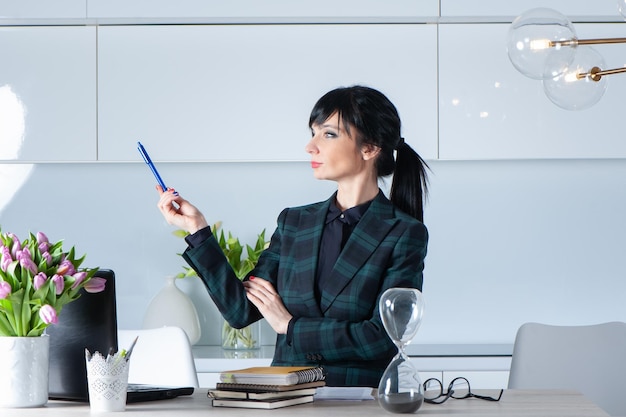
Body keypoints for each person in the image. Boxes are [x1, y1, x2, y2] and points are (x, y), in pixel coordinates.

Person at [156, 85, 429, 387]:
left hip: (359, 400)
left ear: (370, 147)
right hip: (285, 397)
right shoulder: (295, 222)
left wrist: (290, 327)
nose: (310, 146)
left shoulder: (404, 232)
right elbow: (241, 310)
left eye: (328, 134)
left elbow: (382, 338)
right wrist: (198, 230)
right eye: (313, 133)